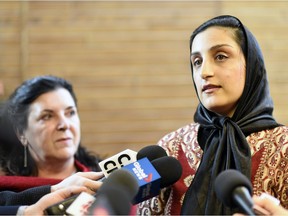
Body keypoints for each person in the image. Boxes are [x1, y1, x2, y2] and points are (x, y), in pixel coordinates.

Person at [137, 15, 288, 215]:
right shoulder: (172, 146)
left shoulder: (283, 148)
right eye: (197, 62)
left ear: (251, 65)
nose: (204, 72)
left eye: (220, 57)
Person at [0, 75, 103, 191]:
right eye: (47, 116)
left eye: (70, 113)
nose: (64, 125)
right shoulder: (8, 196)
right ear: (21, 134)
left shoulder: (106, 179)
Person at [0, 171, 103, 215]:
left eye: (72, 123)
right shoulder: (6, 183)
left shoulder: (100, 176)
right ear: (21, 135)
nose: (64, 125)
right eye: (47, 123)